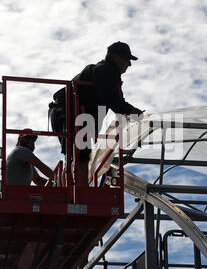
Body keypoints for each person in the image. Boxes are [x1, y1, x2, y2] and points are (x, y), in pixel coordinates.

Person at [50, 41, 143, 186]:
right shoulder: (106, 70)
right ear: (116, 57)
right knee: (81, 156)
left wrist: (125, 112)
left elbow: (115, 100)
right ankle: (80, 192)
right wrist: (132, 112)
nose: (129, 65)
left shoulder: (103, 71)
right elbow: (113, 99)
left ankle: (68, 191)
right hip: (69, 113)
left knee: (75, 156)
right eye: (127, 59)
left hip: (67, 112)